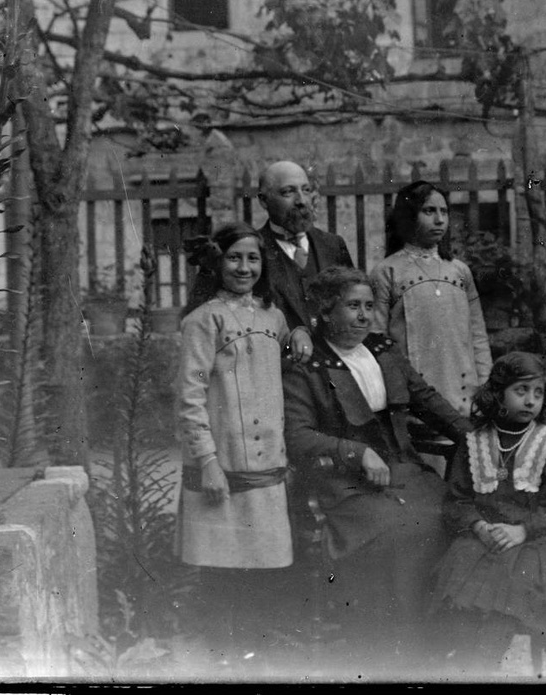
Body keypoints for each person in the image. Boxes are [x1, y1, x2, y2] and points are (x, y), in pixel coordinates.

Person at [282, 265, 473, 673]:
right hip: (345, 484)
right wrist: (354, 452)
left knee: (448, 517)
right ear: (326, 311)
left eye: (369, 306)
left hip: (405, 470)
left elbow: (428, 400)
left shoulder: (384, 351)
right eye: (353, 306)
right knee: (397, 530)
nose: (364, 316)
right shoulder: (307, 366)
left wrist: (478, 441)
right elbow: (297, 436)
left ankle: (438, 641)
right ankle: (387, 648)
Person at [175, 222, 292, 665]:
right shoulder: (204, 320)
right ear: (216, 262)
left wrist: (297, 335)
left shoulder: (272, 318)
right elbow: (190, 397)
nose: (244, 267)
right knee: (223, 576)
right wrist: (206, 461)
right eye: (234, 257)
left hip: (267, 466)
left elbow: (282, 367)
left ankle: (257, 662)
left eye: (253, 259)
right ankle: (222, 664)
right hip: (224, 466)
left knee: (264, 574)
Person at [431, 352, 546, 677]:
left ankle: (484, 660)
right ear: (499, 395)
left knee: (514, 582)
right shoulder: (475, 442)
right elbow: (456, 500)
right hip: (483, 537)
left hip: (533, 541)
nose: (530, 401)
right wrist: (479, 526)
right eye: (521, 391)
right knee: (460, 567)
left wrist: (522, 530)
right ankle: (463, 658)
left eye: (537, 393)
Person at [370, 180, 492, 420]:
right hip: (415, 391)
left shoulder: (459, 271)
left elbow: (477, 334)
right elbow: (376, 339)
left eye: (444, 212)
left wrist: (485, 384)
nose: (439, 220)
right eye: (429, 211)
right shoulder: (387, 271)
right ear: (408, 215)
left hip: (464, 391)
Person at [256, 160, 354, 363]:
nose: (301, 200)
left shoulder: (333, 245)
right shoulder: (253, 252)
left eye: (306, 190)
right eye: (288, 192)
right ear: (264, 201)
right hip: (283, 368)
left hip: (337, 365)